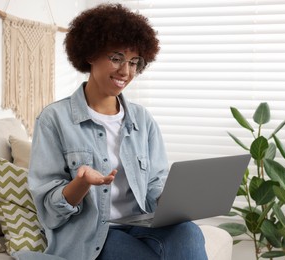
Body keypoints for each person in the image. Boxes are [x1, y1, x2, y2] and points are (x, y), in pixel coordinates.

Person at [25, 3, 208, 260]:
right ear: (90, 54)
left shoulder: (143, 120)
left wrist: (170, 200)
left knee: (189, 233)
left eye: (134, 62)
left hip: (139, 224)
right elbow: (49, 212)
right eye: (116, 58)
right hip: (92, 236)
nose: (126, 71)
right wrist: (82, 182)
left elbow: (155, 183)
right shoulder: (54, 119)